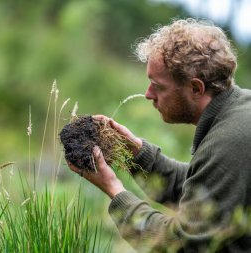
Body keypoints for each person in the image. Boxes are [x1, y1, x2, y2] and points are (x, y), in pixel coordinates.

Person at [67, 18, 251, 253]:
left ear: (195, 88)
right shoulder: (240, 112)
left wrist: (114, 189)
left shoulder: (230, 141)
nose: (148, 94)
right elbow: (203, 187)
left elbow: (182, 245)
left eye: (157, 85)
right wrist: (137, 153)